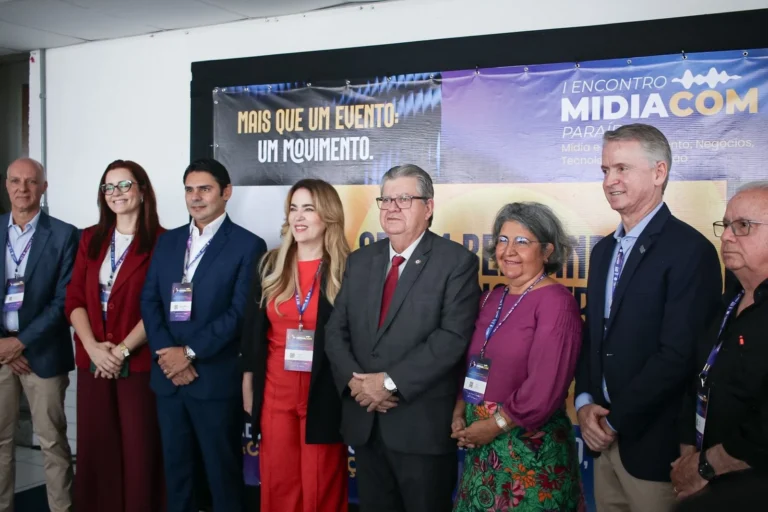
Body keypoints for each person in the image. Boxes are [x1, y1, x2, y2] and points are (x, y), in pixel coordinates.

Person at [574, 124, 722, 511]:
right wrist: (586, 403)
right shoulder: (604, 250)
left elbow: (678, 355)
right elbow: (594, 338)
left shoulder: (691, 251)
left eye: (622, 168)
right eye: (605, 170)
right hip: (602, 445)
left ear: (659, 173)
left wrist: (614, 421)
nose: (610, 181)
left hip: (655, 452)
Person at [325, 164, 480, 512]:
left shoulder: (456, 262)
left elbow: (451, 338)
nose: (392, 207)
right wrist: (358, 384)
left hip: (419, 428)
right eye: (386, 199)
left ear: (429, 207)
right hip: (365, 421)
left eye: (404, 198)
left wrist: (389, 383)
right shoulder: (361, 260)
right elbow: (336, 330)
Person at [140, 158, 267, 512]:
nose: (196, 197)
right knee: (177, 472)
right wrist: (168, 353)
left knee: (221, 474)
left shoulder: (247, 245)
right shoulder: (168, 242)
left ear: (226, 192)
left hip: (211, 379)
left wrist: (190, 353)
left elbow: (239, 313)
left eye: (205, 189)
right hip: (169, 379)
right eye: (190, 190)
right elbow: (149, 300)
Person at [451, 202, 584, 511]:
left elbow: (545, 386)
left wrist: (494, 425)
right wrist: (459, 410)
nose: (508, 250)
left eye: (522, 242)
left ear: (548, 250)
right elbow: (472, 362)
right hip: (480, 445)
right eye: (502, 240)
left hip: (528, 451)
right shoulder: (491, 297)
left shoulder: (556, 302)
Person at [241, 179, 350, 512]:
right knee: (279, 484)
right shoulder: (270, 265)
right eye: (293, 208)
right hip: (276, 392)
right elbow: (252, 332)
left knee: (322, 488)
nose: (298, 217)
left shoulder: (347, 269)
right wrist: (248, 383)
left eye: (309, 208)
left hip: (324, 394)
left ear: (328, 216)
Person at [65, 160, 165, 512]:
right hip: (93, 362)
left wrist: (120, 351)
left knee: (139, 451)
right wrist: (93, 348)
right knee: (97, 450)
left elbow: (159, 307)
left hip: (136, 364)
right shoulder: (90, 238)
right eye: (108, 187)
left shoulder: (163, 242)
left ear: (141, 190)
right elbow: (74, 298)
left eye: (124, 185)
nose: (116, 193)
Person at [672, 181, 768, 500]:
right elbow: (697, 379)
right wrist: (689, 461)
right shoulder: (727, 302)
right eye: (726, 225)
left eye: (743, 226)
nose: (726, 236)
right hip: (704, 486)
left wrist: (704, 467)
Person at [0, 158, 78, 512]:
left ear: (44, 188)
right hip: (1, 354)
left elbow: (65, 299)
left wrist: (21, 342)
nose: (22, 188)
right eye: (15, 181)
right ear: (6, 185)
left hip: (41, 355)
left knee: (52, 443)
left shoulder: (64, 235)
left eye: (31, 182)